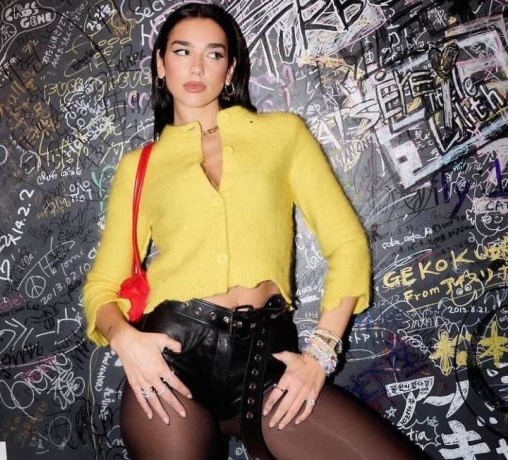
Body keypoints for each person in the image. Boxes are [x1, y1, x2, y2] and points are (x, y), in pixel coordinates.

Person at [83, 3, 419, 459]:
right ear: (161, 65)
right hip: (174, 363)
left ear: (230, 69)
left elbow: (348, 245)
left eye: (213, 54)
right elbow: (103, 287)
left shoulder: (281, 135)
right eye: (182, 52)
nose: (197, 68)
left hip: (269, 363)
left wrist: (321, 354)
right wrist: (125, 340)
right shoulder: (140, 166)